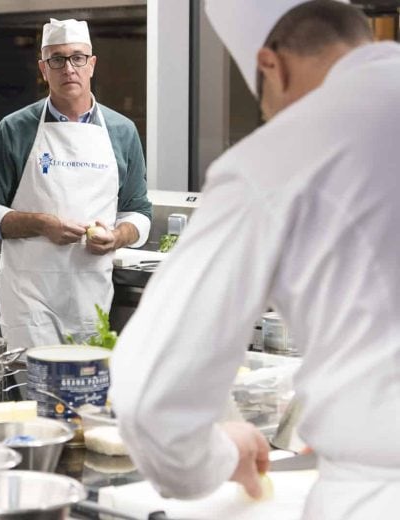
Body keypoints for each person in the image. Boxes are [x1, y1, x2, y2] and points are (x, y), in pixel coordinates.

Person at [110, 1, 400, 518]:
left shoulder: (281, 153)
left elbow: (153, 400)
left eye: (262, 100)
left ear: (273, 66)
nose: (268, 114)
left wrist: (220, 453)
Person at [0, 18, 152, 349]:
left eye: (77, 57)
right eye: (57, 59)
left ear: (92, 65)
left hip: (90, 296)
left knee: (87, 396)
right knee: (36, 394)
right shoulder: (15, 129)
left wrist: (117, 236)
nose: (68, 68)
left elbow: (139, 211)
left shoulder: (121, 131)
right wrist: (41, 224)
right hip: (29, 296)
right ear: (43, 69)